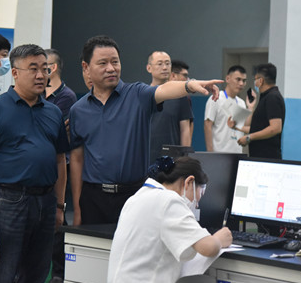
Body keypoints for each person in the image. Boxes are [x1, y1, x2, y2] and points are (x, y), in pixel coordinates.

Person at [69, 35, 221, 226]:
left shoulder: (137, 95)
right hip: (93, 198)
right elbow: (77, 159)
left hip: (133, 195)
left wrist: (189, 85)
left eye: (115, 62)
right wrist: (77, 207)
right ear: (86, 67)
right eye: (103, 63)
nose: (111, 68)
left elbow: (164, 90)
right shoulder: (78, 110)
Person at [0, 44, 70, 283]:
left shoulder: (53, 112)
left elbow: (60, 160)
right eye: (33, 69)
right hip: (9, 200)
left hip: (46, 201)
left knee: (37, 272)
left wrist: (59, 205)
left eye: (45, 69)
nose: (41, 75)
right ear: (15, 73)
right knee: (3, 272)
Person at [107, 156, 233, 283]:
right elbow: (208, 247)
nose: (196, 205)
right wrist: (219, 239)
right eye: (199, 197)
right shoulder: (169, 200)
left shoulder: (137, 198)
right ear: (189, 182)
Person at [44, 48, 77, 283]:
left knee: (58, 220)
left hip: (59, 166)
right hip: (36, 167)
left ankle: (58, 272)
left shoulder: (67, 97)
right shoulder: (35, 94)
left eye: (41, 66)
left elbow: (56, 131)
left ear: (52, 68)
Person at [147, 51, 193, 162]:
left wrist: (184, 158)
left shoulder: (180, 95)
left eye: (167, 64)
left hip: (171, 159)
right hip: (145, 156)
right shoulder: (142, 94)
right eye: (160, 64)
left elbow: (185, 129)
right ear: (149, 68)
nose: (164, 67)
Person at [236, 63, 285, 159]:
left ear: (261, 80)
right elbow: (258, 128)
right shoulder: (265, 98)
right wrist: (237, 127)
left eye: (255, 79)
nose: (255, 83)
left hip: (268, 158)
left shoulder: (273, 98)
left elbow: (275, 128)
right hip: (259, 156)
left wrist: (249, 137)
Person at [204, 65, 248, 153]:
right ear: (227, 79)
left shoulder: (242, 103)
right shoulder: (216, 98)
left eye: (244, 81)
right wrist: (210, 153)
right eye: (238, 79)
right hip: (219, 153)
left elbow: (243, 128)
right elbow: (207, 126)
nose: (241, 83)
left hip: (237, 152)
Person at [170, 59, 194, 144]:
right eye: (185, 75)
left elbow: (189, 125)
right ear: (173, 75)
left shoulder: (184, 98)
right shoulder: (155, 94)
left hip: (176, 148)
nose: (187, 79)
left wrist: (186, 149)